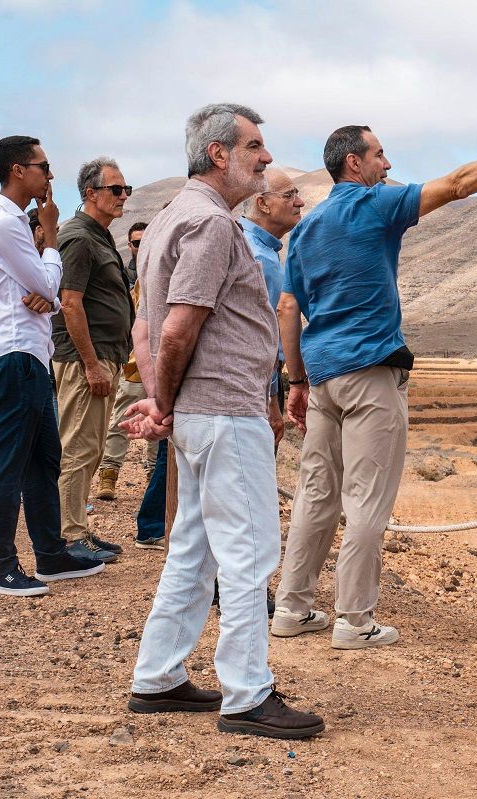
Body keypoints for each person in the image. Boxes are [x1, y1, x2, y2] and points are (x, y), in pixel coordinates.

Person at [273, 124, 477, 646]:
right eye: (380, 155)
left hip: (322, 375)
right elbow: (460, 183)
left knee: (315, 495)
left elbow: (289, 307)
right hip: (371, 373)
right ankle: (354, 620)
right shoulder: (373, 206)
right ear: (354, 163)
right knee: (367, 500)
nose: (388, 165)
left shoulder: (305, 229)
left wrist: (296, 381)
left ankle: (291, 608)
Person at [123, 103, 323, 739]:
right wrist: (166, 404)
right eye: (255, 146)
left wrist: (164, 401)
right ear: (219, 154)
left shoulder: (165, 223)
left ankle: (157, 677)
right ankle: (247, 693)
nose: (266, 158)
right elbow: (179, 325)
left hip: (201, 412)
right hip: (225, 410)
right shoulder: (210, 225)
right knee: (249, 551)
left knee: (195, 547)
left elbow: (147, 328)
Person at [0, 135, 105, 596]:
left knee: (45, 458)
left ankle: (50, 554)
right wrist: (51, 234)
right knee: (10, 461)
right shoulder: (3, 225)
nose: (50, 176)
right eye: (44, 167)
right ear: (18, 170)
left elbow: (45, 293)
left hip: (30, 352)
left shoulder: (12, 227)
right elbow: (47, 283)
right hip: (12, 352)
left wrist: (45, 289)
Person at [51, 157, 135, 563]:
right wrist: (90, 363)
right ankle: (69, 537)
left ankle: (78, 529)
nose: (123, 197)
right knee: (79, 448)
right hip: (86, 359)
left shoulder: (99, 236)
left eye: (126, 190)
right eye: (115, 190)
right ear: (91, 193)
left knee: (93, 447)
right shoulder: (79, 238)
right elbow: (70, 303)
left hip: (105, 356)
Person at [239, 166, 304, 438]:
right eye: (289, 195)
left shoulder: (252, 245)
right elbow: (259, 339)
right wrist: (271, 404)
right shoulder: (259, 258)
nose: (299, 202)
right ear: (262, 203)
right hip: (254, 387)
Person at [97, 223, 156, 502]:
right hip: (132, 362)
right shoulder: (123, 276)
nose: (140, 247)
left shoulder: (162, 270)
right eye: (135, 243)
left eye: (145, 241)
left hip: (160, 362)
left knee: (159, 420)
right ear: (129, 246)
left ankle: (153, 478)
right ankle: (108, 475)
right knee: (122, 418)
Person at [122, 221, 146, 288]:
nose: (142, 247)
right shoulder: (126, 277)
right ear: (130, 246)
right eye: (137, 243)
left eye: (145, 242)